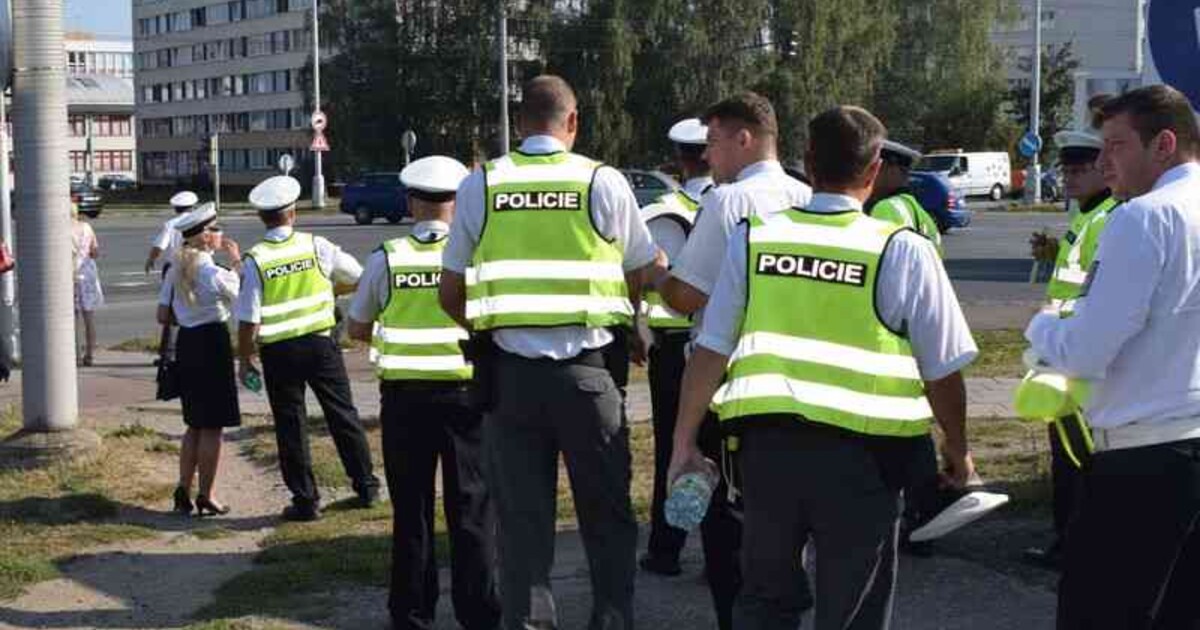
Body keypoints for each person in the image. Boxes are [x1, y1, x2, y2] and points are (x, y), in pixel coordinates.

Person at [669, 105, 977, 630]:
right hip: (866, 462)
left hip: (768, 456)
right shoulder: (901, 251)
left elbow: (711, 350)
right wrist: (959, 449)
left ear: (807, 164)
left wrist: (683, 442)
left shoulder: (755, 239)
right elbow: (943, 370)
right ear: (875, 168)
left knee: (765, 599)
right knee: (852, 607)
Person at [439, 74, 657, 630]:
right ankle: (611, 620)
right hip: (588, 378)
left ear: (518, 123)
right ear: (573, 121)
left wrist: (492, 325)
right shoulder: (602, 182)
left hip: (509, 382)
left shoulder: (481, 184)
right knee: (607, 518)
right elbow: (640, 267)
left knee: (521, 527)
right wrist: (625, 318)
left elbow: (450, 293)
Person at [1024, 85, 1200, 629]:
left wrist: (1043, 328)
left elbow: (1087, 349)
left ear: (1164, 144)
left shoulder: (1145, 216)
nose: (1102, 163)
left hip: (1142, 459)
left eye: (1115, 146)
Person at [648, 91, 812, 630]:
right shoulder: (809, 195)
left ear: (744, 139)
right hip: (800, 386)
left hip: (735, 389)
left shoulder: (729, 203)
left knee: (729, 536)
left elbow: (688, 297)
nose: (709, 158)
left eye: (714, 143)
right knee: (788, 532)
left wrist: (657, 273)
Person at [348, 156, 500, 630]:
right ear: (458, 203)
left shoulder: (387, 257)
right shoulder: (476, 256)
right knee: (472, 508)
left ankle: (411, 612)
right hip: (466, 398)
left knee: (411, 510)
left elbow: (357, 326)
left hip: (405, 400)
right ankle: (479, 613)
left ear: (411, 202)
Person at [868, 140, 1006, 555]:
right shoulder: (919, 211)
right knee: (917, 417)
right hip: (921, 322)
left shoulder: (887, 211)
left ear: (891, 170)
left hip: (892, 328)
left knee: (895, 427)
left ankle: (920, 511)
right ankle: (927, 509)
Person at [236, 175, 380, 522]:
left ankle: (305, 500)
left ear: (262, 217)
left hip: (280, 353)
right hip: (320, 345)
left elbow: (248, 318)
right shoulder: (317, 246)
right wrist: (333, 292)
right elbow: (358, 276)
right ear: (293, 213)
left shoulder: (256, 260)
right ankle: (366, 486)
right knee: (342, 414)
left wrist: (245, 358)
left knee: (290, 425)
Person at [1018, 123, 1119, 570]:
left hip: (1077, 357)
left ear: (1103, 169)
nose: (1072, 176)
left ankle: (1076, 544)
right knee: (1067, 453)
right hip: (1061, 352)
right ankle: (1070, 538)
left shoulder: (1109, 216)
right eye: (1067, 169)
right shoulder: (1086, 216)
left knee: (1077, 458)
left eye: (1082, 168)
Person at [638, 116, 712, 577]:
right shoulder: (744, 206)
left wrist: (636, 326)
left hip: (670, 347)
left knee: (675, 445)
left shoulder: (658, 211)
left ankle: (667, 549)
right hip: (723, 345)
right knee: (727, 446)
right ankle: (725, 547)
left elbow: (641, 274)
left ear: (679, 160)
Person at [158, 203, 242, 517]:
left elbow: (162, 314)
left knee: (194, 424)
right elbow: (242, 297)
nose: (220, 234)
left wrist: (188, 315)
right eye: (216, 229)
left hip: (188, 344)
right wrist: (236, 262)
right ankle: (206, 494)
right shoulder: (212, 270)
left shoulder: (174, 267)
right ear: (205, 237)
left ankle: (183, 489)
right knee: (212, 427)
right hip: (212, 343)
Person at [867, 140, 942, 252]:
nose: (867, 172)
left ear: (893, 169)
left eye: (874, 166)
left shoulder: (887, 207)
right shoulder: (913, 208)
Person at [72, 203, 103, 367]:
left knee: (72, 318)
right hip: (87, 272)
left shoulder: (62, 229)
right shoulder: (86, 227)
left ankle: (75, 355)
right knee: (89, 316)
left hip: (69, 273)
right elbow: (95, 251)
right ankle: (90, 354)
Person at [145, 190, 199, 274]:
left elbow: (159, 246)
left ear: (175, 208)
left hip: (175, 267)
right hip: (196, 265)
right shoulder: (199, 222)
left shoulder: (171, 224)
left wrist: (151, 259)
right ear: (193, 207)